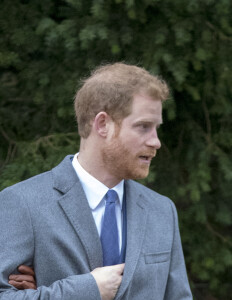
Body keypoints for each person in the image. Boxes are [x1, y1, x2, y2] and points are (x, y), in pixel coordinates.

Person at [0, 63, 192, 300]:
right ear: (103, 124)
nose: (156, 142)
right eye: (143, 127)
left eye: (156, 128)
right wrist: (87, 289)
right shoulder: (23, 203)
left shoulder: (162, 210)